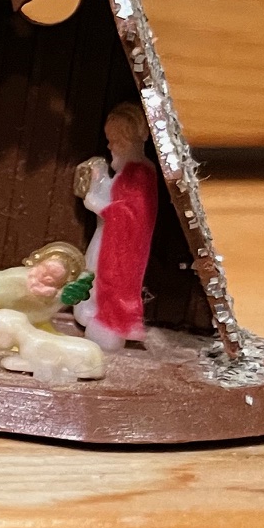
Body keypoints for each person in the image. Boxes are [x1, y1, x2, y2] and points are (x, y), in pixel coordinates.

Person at [73, 104, 158, 350]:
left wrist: (98, 205)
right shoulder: (126, 171)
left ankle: (109, 325)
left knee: (110, 280)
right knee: (93, 271)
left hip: (121, 247)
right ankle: (92, 310)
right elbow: (116, 197)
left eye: (116, 142)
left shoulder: (140, 173)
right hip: (108, 237)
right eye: (109, 141)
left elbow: (133, 214)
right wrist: (97, 181)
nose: (110, 147)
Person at [0, 240, 91, 346]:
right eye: (45, 271)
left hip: (24, 315)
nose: (47, 277)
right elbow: (0, 281)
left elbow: (41, 310)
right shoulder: (21, 277)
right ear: (39, 264)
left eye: (54, 277)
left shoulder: (52, 294)